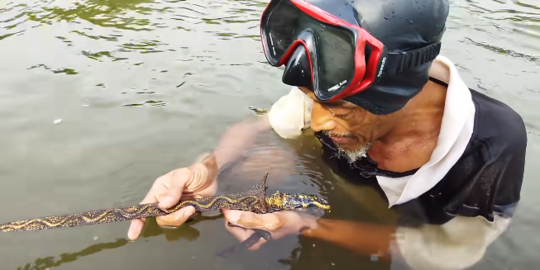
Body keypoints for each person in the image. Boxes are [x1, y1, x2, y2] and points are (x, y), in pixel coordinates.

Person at [126, 0, 528, 269]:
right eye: (309, 97)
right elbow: (257, 127)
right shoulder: (333, 82)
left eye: (339, 107)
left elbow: (448, 249)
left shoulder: (490, 148)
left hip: (400, 227)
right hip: (331, 189)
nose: (317, 121)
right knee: (267, 156)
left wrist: (307, 226)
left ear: (397, 95)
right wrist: (212, 168)